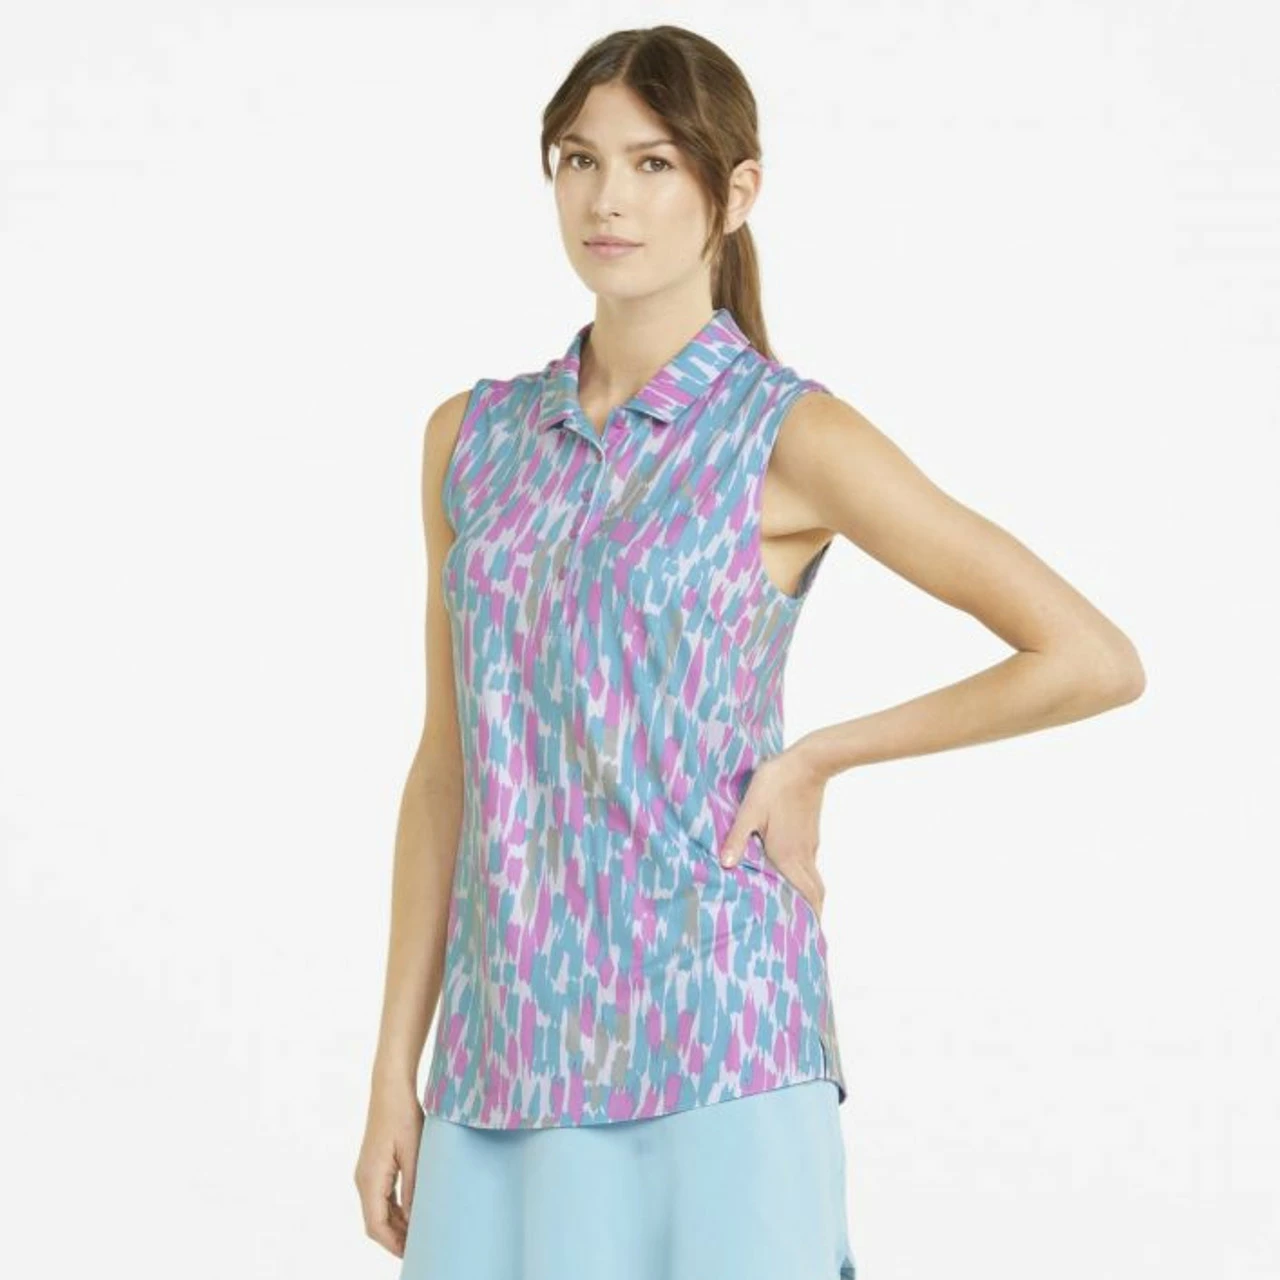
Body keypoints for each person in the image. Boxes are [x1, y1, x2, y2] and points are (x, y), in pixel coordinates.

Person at [354, 24, 1146, 1280]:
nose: (607, 198)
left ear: (733, 191)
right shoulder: (471, 439)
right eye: (578, 159)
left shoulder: (787, 436)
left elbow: (1087, 655)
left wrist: (818, 755)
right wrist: (391, 1072)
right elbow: (446, 770)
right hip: (499, 1063)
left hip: (717, 1040)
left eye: (652, 163)